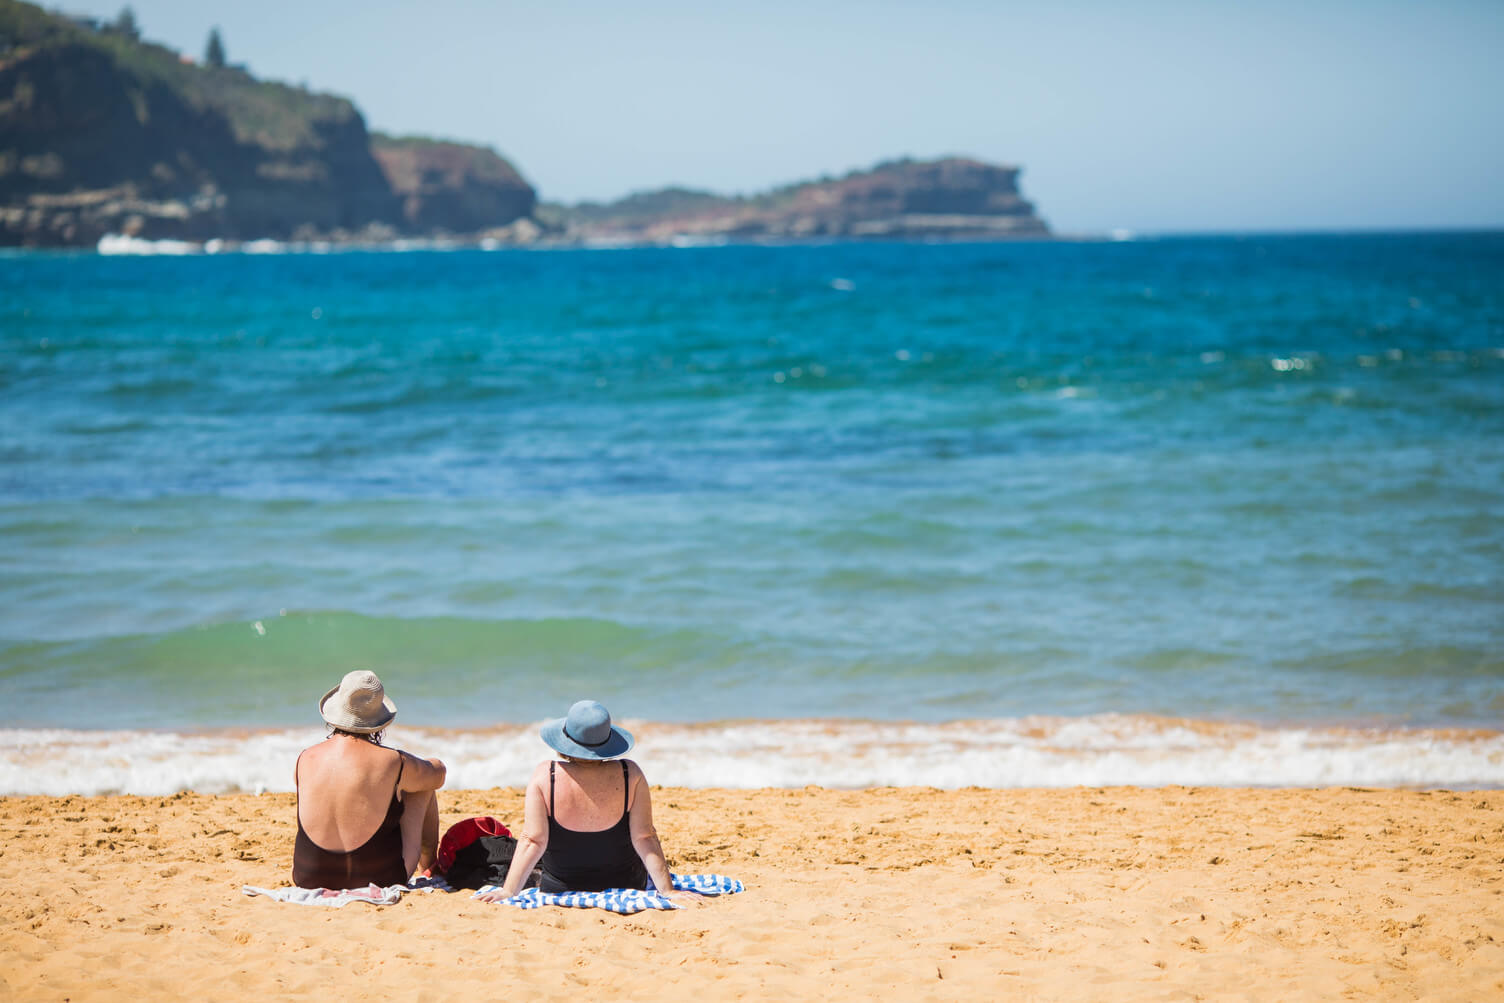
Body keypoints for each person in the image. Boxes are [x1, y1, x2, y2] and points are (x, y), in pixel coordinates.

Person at [479, 699, 673, 901]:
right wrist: (668, 891)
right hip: (626, 883)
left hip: (559, 887)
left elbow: (533, 840)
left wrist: (509, 891)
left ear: (565, 741)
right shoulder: (630, 773)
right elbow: (644, 837)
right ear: (607, 742)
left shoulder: (546, 775)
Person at [291, 670, 446, 888]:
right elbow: (438, 777)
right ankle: (430, 865)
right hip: (379, 877)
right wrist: (432, 763)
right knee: (421, 786)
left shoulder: (305, 757)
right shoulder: (393, 761)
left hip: (307, 876)